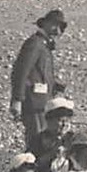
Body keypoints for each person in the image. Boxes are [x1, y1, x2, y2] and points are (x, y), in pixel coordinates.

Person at [10, 8, 68, 148]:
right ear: (45, 24)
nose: (56, 30)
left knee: (42, 139)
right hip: (33, 102)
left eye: (59, 27)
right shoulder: (35, 43)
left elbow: (39, 74)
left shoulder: (44, 46)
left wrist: (55, 85)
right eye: (54, 25)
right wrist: (17, 99)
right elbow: (21, 72)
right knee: (37, 140)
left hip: (41, 103)